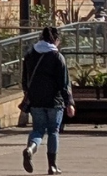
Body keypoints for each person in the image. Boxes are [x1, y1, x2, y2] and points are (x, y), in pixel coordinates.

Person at [21, 25, 72, 175]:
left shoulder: (30, 54)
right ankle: (52, 166)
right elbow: (64, 83)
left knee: (37, 130)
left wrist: (28, 93)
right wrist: (69, 102)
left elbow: (25, 78)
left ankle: (30, 149)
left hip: (36, 100)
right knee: (53, 132)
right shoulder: (57, 57)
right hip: (54, 101)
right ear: (56, 40)